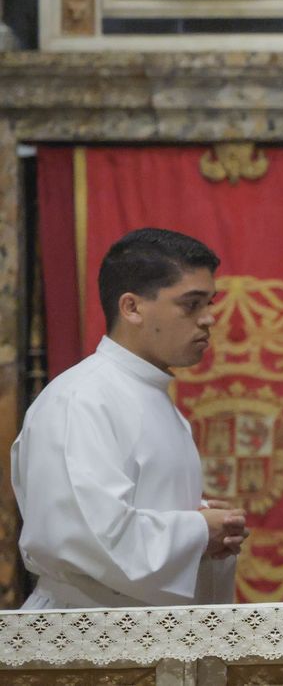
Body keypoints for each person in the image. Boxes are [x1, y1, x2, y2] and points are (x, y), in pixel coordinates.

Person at [11, 228, 247, 608]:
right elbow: (89, 539)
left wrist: (203, 522)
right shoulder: (80, 399)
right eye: (191, 304)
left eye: (209, 303)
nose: (208, 319)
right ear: (132, 308)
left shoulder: (152, 396)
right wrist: (198, 531)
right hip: (83, 627)